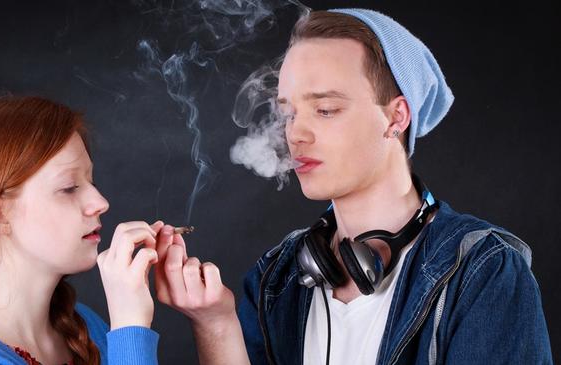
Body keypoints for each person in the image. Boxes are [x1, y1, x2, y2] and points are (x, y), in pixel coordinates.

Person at [154, 8, 553, 365]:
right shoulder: (276, 278)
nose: (296, 134)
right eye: (288, 112)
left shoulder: (483, 271)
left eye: (325, 110)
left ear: (396, 117)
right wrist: (216, 324)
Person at [0, 95, 170, 364]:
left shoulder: (86, 327)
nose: (101, 203)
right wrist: (130, 326)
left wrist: (215, 322)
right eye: (69, 188)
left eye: (90, 181)